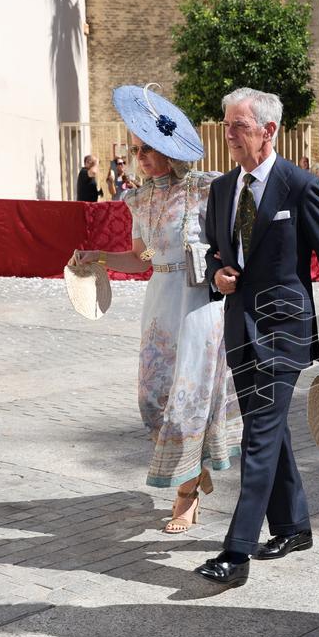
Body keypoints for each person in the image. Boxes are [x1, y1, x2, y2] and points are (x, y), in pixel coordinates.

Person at [195, 87, 319, 588]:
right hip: (240, 326)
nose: (229, 133)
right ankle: (293, 525)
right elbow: (217, 254)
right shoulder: (222, 190)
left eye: (239, 125)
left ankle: (235, 552)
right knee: (272, 430)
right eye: (226, 124)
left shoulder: (300, 186)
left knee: (257, 438)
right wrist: (217, 273)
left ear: (269, 131)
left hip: (284, 330)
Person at [69, 84, 241, 533]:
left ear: (170, 149)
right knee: (152, 397)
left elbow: (238, 240)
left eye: (147, 149)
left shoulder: (208, 188)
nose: (140, 156)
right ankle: (192, 468)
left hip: (200, 301)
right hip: (160, 301)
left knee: (191, 395)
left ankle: (185, 493)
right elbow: (144, 258)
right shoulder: (139, 199)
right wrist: (99, 257)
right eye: (137, 148)